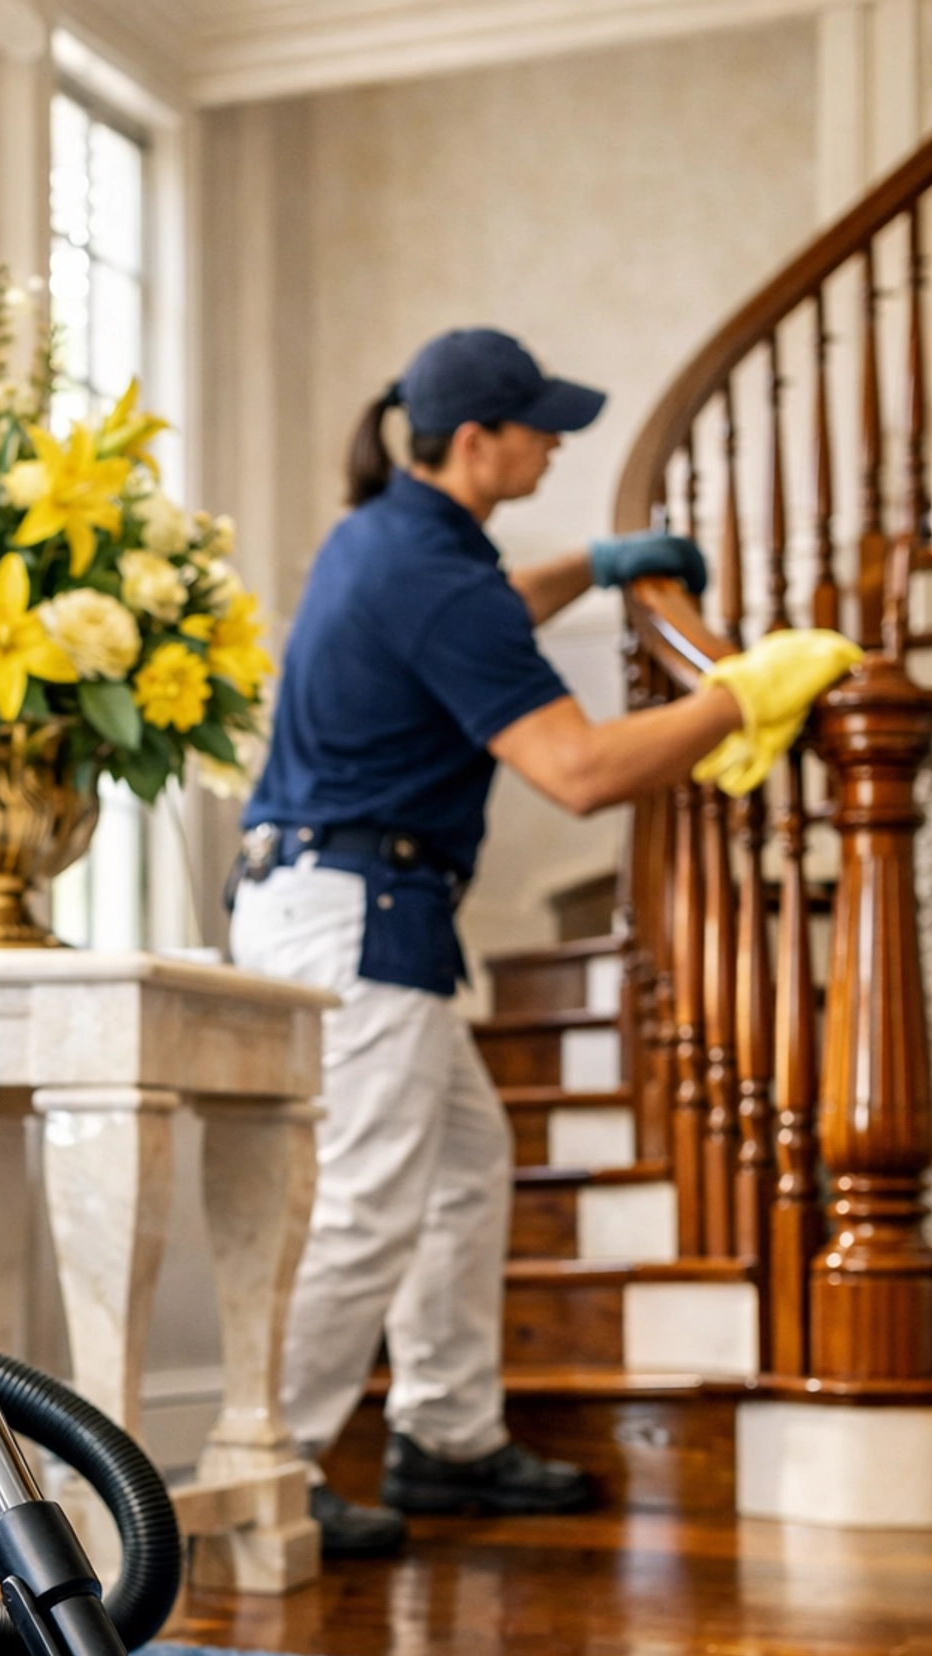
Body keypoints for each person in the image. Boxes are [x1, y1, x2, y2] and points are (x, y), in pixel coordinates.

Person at [230, 327, 850, 1557]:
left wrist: (602, 564)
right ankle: (267, 1481)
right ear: (478, 442)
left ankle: (446, 1438)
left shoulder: (391, 538)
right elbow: (574, 771)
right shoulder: (429, 571)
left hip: (344, 896)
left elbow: (491, 611)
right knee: (365, 1206)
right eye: (540, 426)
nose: (557, 441)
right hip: (363, 910)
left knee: (465, 1164)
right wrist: (748, 690)